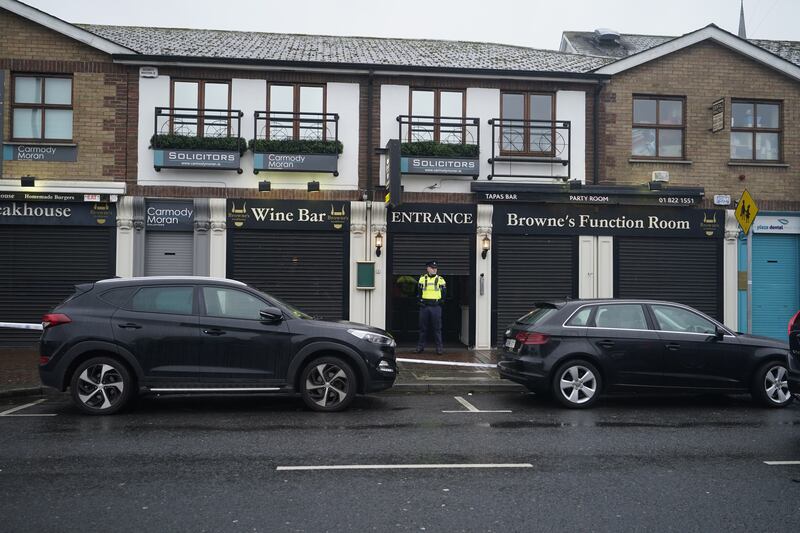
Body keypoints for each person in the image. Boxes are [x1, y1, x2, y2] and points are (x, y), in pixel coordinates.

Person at [416, 260, 446, 355]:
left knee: (437, 329)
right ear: (428, 268)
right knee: (422, 328)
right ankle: (420, 347)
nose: (434, 270)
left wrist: (440, 302)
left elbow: (444, 294)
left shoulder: (440, 279)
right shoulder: (422, 279)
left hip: (435, 307)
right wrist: (420, 302)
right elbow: (418, 292)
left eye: (435, 268)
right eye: (432, 268)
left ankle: (439, 348)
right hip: (424, 307)